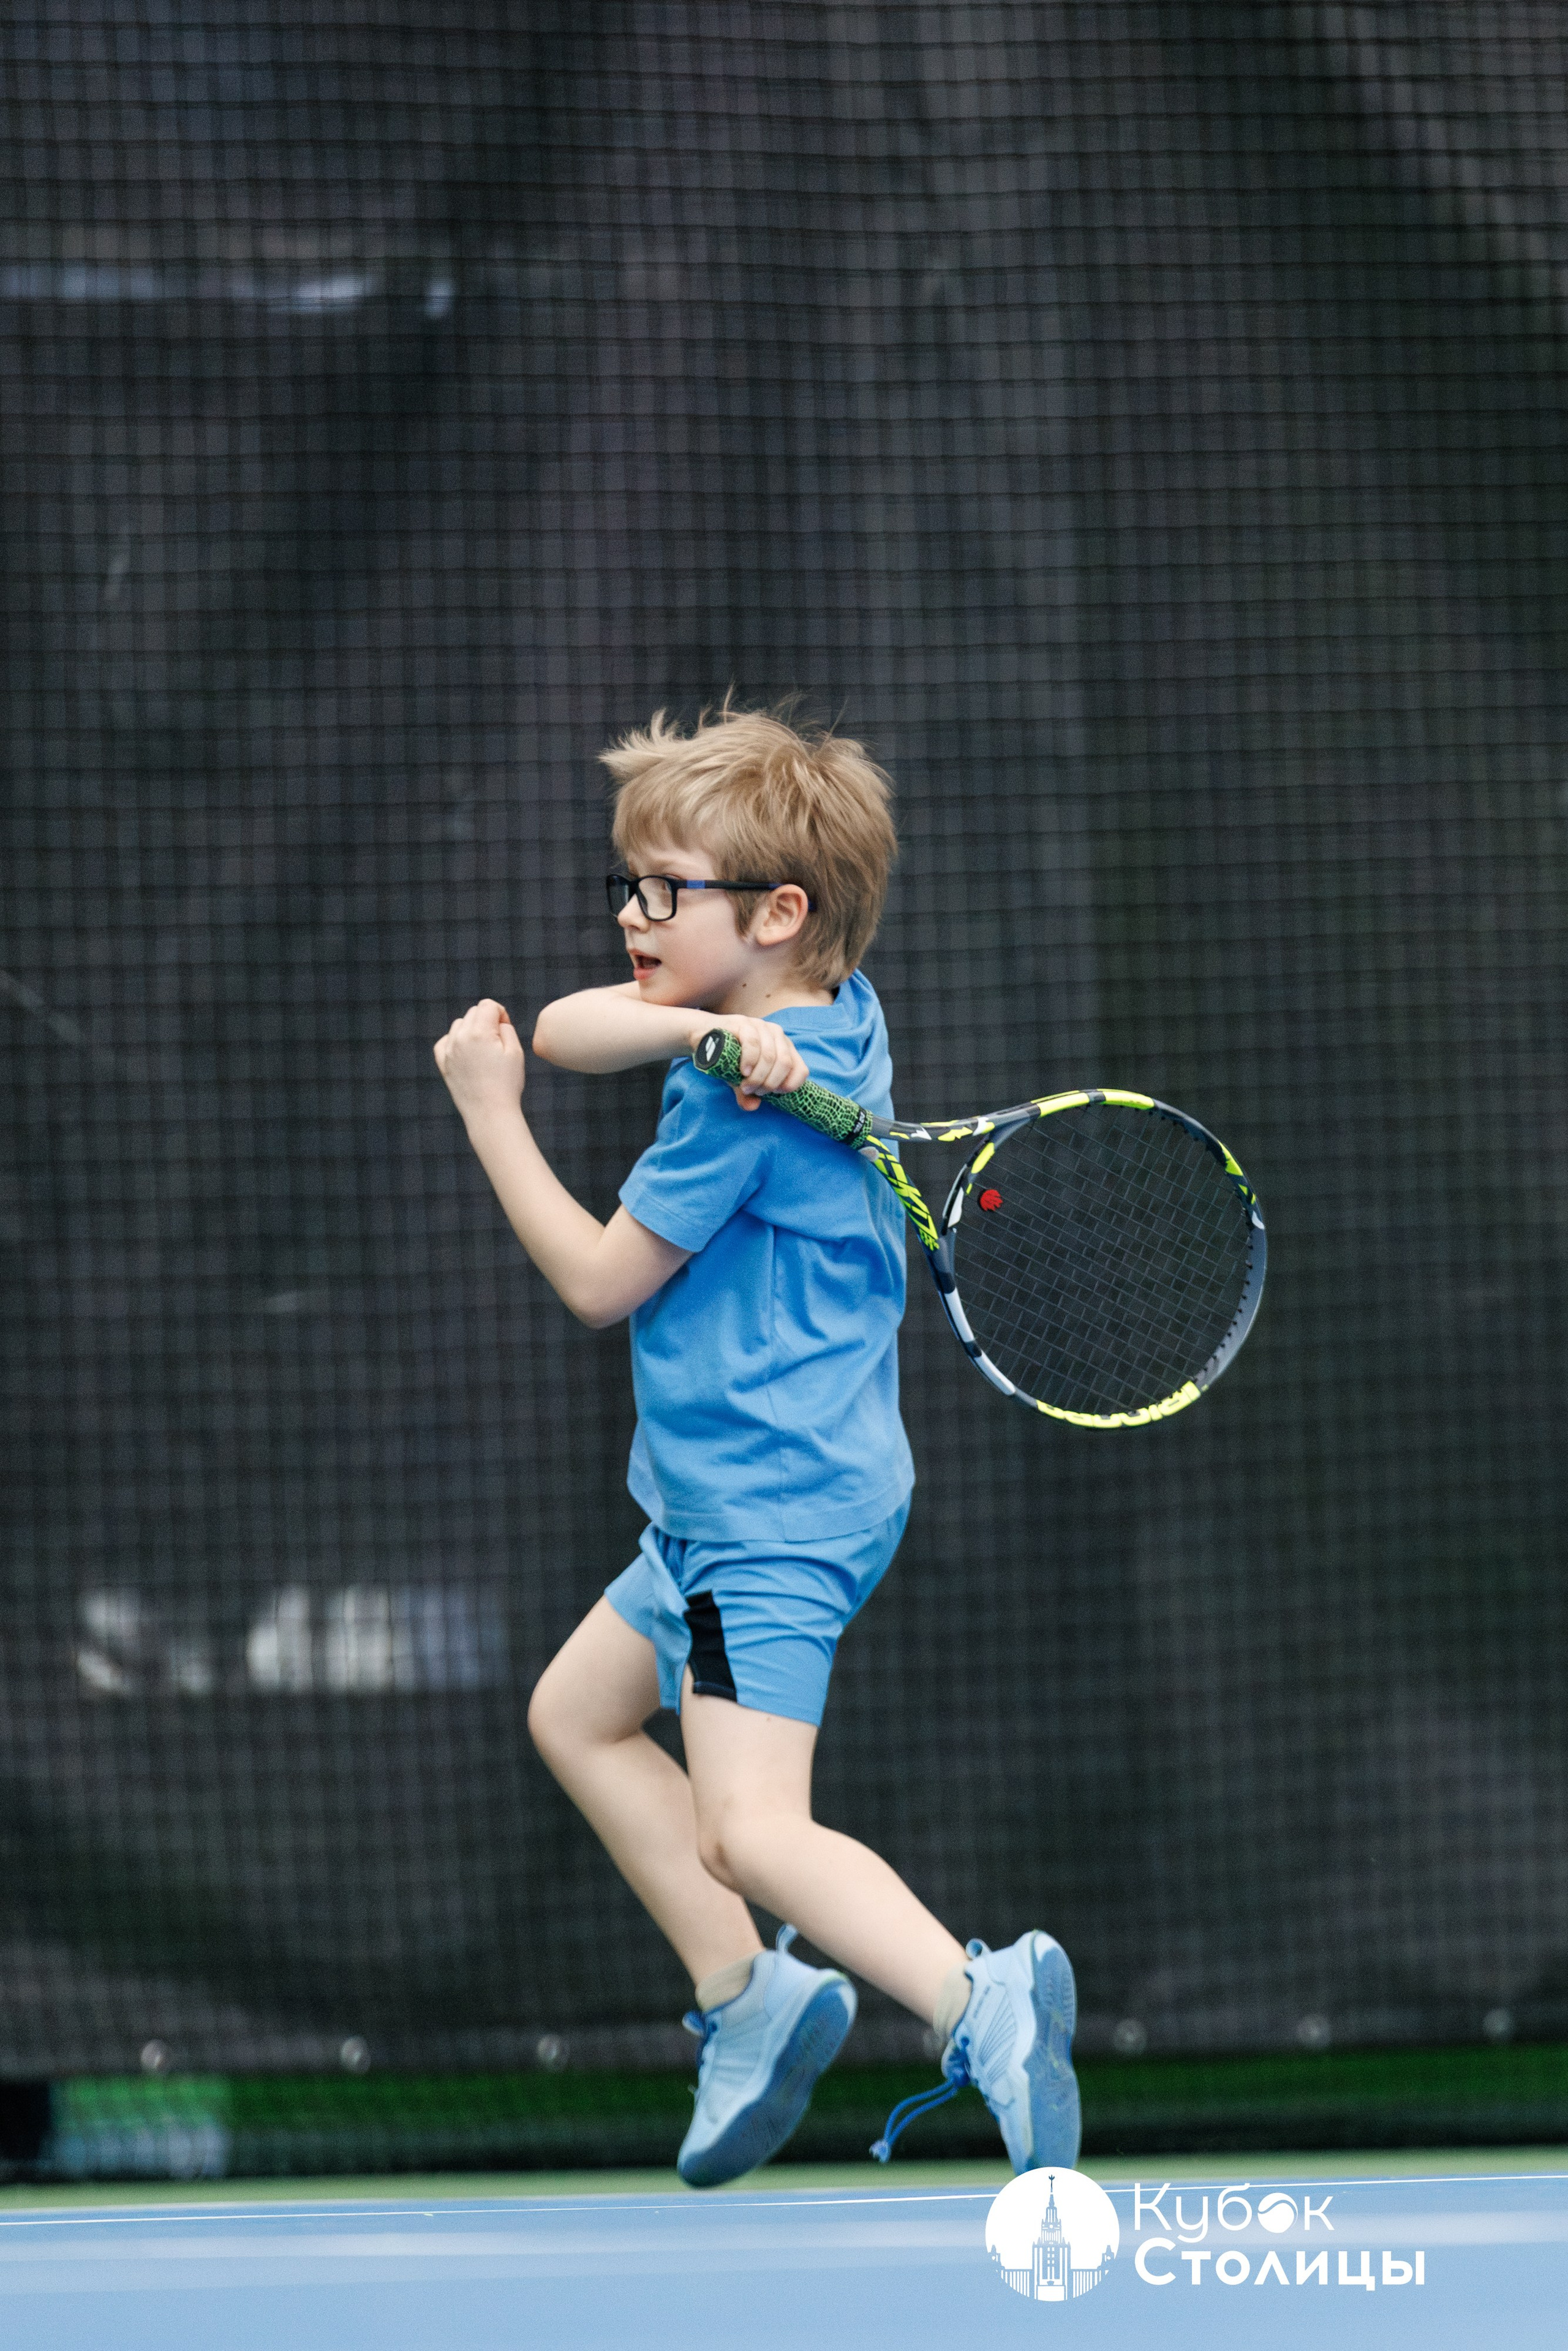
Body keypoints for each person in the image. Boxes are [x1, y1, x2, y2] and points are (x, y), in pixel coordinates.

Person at [433, 703, 1079, 2186]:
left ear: (778, 912)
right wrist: (703, 1017)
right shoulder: (826, 1012)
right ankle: (753, 1993)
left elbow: (598, 1279)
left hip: (763, 1519)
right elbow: (574, 1022)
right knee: (577, 1713)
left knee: (746, 1829)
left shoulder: (742, 1100)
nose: (630, 915)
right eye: (626, 885)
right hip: (746, 1501)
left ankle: (975, 1999)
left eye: (665, 891)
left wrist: (489, 1117)